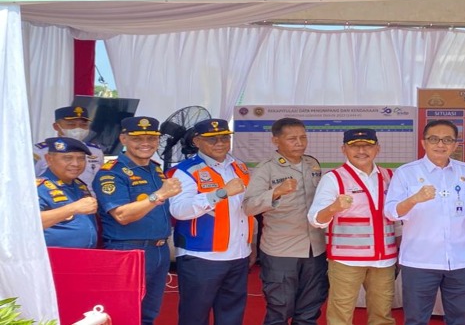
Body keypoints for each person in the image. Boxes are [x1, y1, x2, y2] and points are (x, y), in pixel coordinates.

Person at [384, 119, 465, 325]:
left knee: (463, 319)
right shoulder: (406, 172)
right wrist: (414, 199)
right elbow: (391, 213)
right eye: (434, 139)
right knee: (416, 320)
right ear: (424, 143)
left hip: (462, 259)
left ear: (455, 144)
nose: (440, 144)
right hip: (420, 260)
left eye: (447, 140)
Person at [93, 116, 182, 325]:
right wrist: (159, 195)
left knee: (148, 314)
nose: (145, 143)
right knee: (123, 313)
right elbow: (122, 215)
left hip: (159, 250)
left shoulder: (155, 169)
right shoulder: (111, 173)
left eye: (151, 138)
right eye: (137, 138)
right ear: (123, 139)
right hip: (128, 250)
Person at [307, 128, 397, 325]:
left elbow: (397, 219)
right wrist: (333, 208)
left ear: (378, 149)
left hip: (384, 261)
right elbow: (315, 219)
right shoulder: (334, 178)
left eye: (367, 146)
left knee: (382, 316)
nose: (361, 151)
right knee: (340, 316)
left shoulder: (390, 176)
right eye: (354, 146)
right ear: (344, 149)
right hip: (346, 261)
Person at [242, 117, 327, 325]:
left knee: (310, 308)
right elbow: (248, 207)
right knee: (280, 308)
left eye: (303, 137)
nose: (299, 143)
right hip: (281, 250)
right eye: (292, 139)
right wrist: (276, 192)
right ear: (275, 141)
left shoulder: (312, 164)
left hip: (315, 248)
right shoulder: (266, 169)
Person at [170, 118, 253, 325]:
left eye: (224, 138)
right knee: (195, 317)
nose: (220, 143)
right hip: (201, 256)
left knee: (231, 316)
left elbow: (244, 208)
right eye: (212, 139)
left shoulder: (239, 167)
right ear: (197, 141)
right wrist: (220, 193)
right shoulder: (185, 170)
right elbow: (179, 210)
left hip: (238, 254)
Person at [37, 137, 98, 248]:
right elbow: (29, 223)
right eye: (68, 158)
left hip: (85, 254)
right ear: (49, 159)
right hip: (54, 255)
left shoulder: (80, 186)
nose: (75, 164)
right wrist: (72, 209)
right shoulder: (38, 188)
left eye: (81, 158)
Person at [34, 106, 104, 189]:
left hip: (89, 195)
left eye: (83, 125)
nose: (78, 128)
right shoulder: (40, 151)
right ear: (56, 126)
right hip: (54, 195)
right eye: (71, 124)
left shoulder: (95, 151)